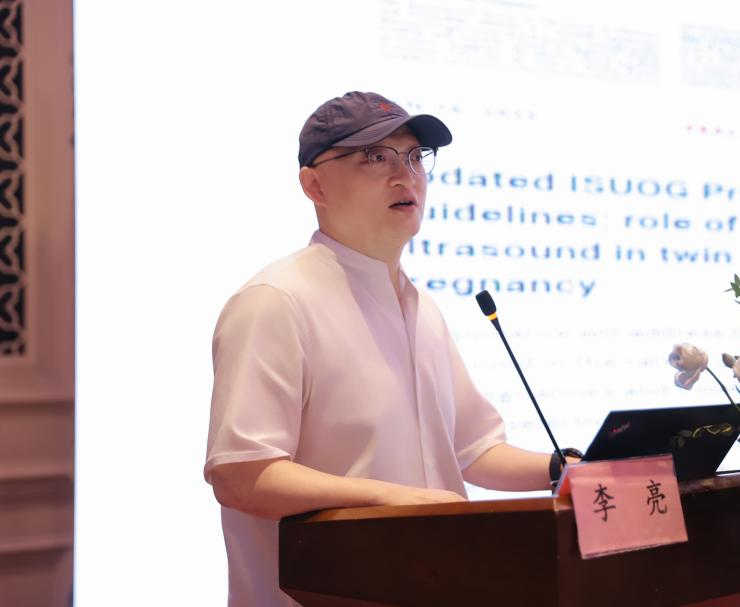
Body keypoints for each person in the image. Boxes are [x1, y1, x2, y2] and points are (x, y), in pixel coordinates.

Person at [203, 91, 570, 607]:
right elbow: (242, 474)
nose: (405, 175)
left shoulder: (421, 307)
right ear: (314, 185)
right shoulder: (276, 302)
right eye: (376, 157)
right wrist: (393, 499)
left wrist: (568, 469)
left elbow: (474, 450)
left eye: (416, 157)